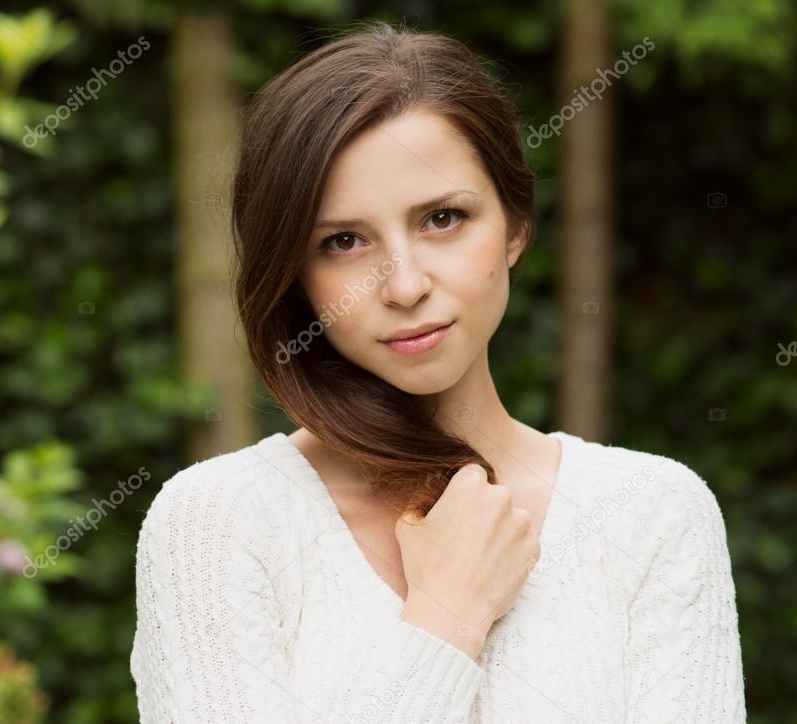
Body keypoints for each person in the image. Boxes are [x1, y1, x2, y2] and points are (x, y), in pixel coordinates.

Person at [130, 20, 746, 723]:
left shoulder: (652, 514)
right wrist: (448, 616)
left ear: (516, 225)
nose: (403, 286)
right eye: (342, 241)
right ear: (294, 275)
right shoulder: (216, 524)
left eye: (443, 218)